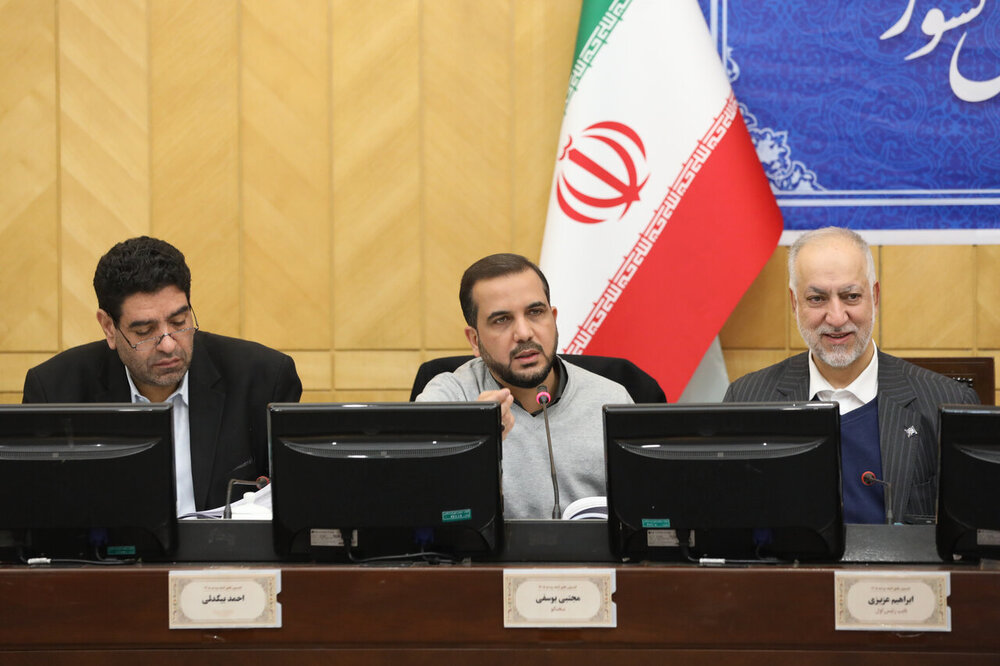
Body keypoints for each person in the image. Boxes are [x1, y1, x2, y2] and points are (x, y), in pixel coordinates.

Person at [22, 236, 302, 515]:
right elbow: (35, 513)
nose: (168, 345)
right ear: (108, 327)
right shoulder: (55, 391)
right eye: (145, 332)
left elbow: (293, 506)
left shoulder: (263, 378)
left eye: (179, 322)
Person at [724, 226, 978, 524]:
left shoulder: (944, 402)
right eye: (817, 299)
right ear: (794, 303)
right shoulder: (746, 401)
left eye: (851, 296)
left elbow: (973, 532)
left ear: (875, 296)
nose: (836, 317)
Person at [415, 253, 632, 519]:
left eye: (535, 312)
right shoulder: (449, 398)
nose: (524, 333)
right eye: (502, 320)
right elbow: (415, 504)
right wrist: (473, 444)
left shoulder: (610, 398)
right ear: (474, 340)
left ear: (553, 319)